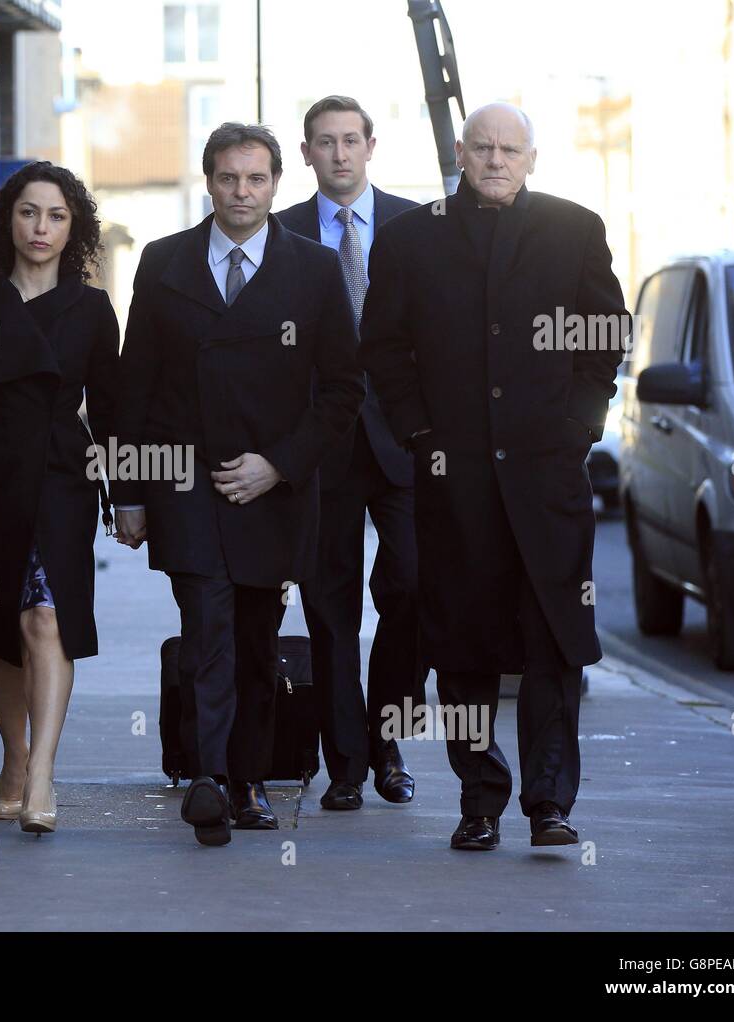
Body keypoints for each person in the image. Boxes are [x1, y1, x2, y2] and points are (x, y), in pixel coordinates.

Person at [357, 102, 628, 851]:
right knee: (462, 646)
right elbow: (383, 347)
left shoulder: (574, 229)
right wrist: (419, 432)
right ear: (461, 152)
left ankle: (550, 804)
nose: (496, 160)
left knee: (555, 641)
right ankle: (479, 801)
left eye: (511, 149)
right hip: (454, 482)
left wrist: (579, 426)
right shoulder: (411, 239)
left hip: (548, 479)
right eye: (483, 147)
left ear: (532, 158)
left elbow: (605, 335)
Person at [113, 123, 364, 846]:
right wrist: (128, 491)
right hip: (185, 478)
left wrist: (278, 464)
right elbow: (135, 383)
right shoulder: (164, 261)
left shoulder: (313, 268)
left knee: (256, 637)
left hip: (272, 489)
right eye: (228, 178)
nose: (242, 192)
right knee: (206, 626)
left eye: (256, 179)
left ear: (277, 184)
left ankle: (249, 779)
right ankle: (209, 778)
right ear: (209, 182)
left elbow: (342, 389)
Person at [0, 162, 120, 835]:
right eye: (28, 212)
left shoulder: (92, 309)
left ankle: (44, 771)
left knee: (47, 617)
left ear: (74, 228)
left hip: (61, 478)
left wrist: (129, 497)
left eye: (55, 216)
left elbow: (113, 410)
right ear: (7, 220)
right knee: (1, 624)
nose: (40, 227)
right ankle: (15, 760)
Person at [276, 95, 426, 812]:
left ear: (371, 145)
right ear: (306, 152)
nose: (339, 154)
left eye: (349, 140)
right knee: (330, 608)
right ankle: (347, 763)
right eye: (324, 142)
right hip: (320, 447)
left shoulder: (418, 226)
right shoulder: (280, 234)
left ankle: (389, 741)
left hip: (406, 442)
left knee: (415, 589)